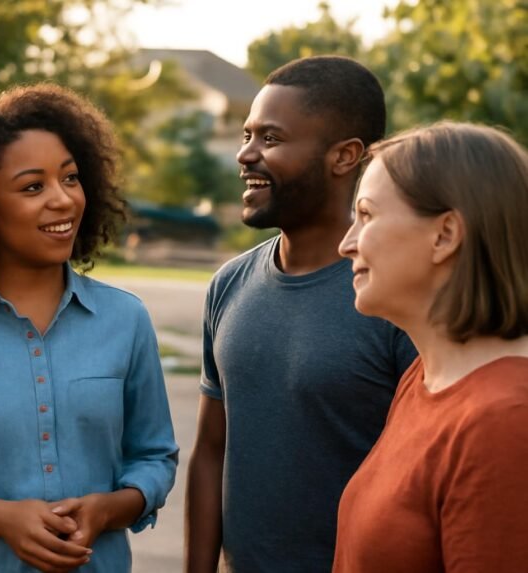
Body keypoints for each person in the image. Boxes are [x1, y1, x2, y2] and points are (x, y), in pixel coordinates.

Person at [0, 84, 178, 573]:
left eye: (70, 178)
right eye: (32, 187)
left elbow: (154, 456)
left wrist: (110, 508)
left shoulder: (126, 320)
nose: (63, 201)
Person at [184, 56, 417, 573]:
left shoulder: (395, 299)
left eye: (271, 138)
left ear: (344, 156)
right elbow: (211, 451)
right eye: (248, 135)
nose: (245, 154)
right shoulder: (229, 284)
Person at [333, 121, 528, 572]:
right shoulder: (423, 378)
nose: (347, 244)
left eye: (366, 215)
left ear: (445, 235)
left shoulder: (504, 422)